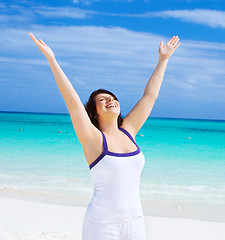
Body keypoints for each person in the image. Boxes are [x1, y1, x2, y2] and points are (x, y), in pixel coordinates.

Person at [29, 32, 180, 240]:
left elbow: (150, 96)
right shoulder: (93, 139)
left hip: (135, 221)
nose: (111, 100)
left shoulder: (129, 130)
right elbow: (72, 101)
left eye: (113, 98)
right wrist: (52, 60)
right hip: (102, 224)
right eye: (103, 99)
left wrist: (163, 60)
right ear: (93, 112)